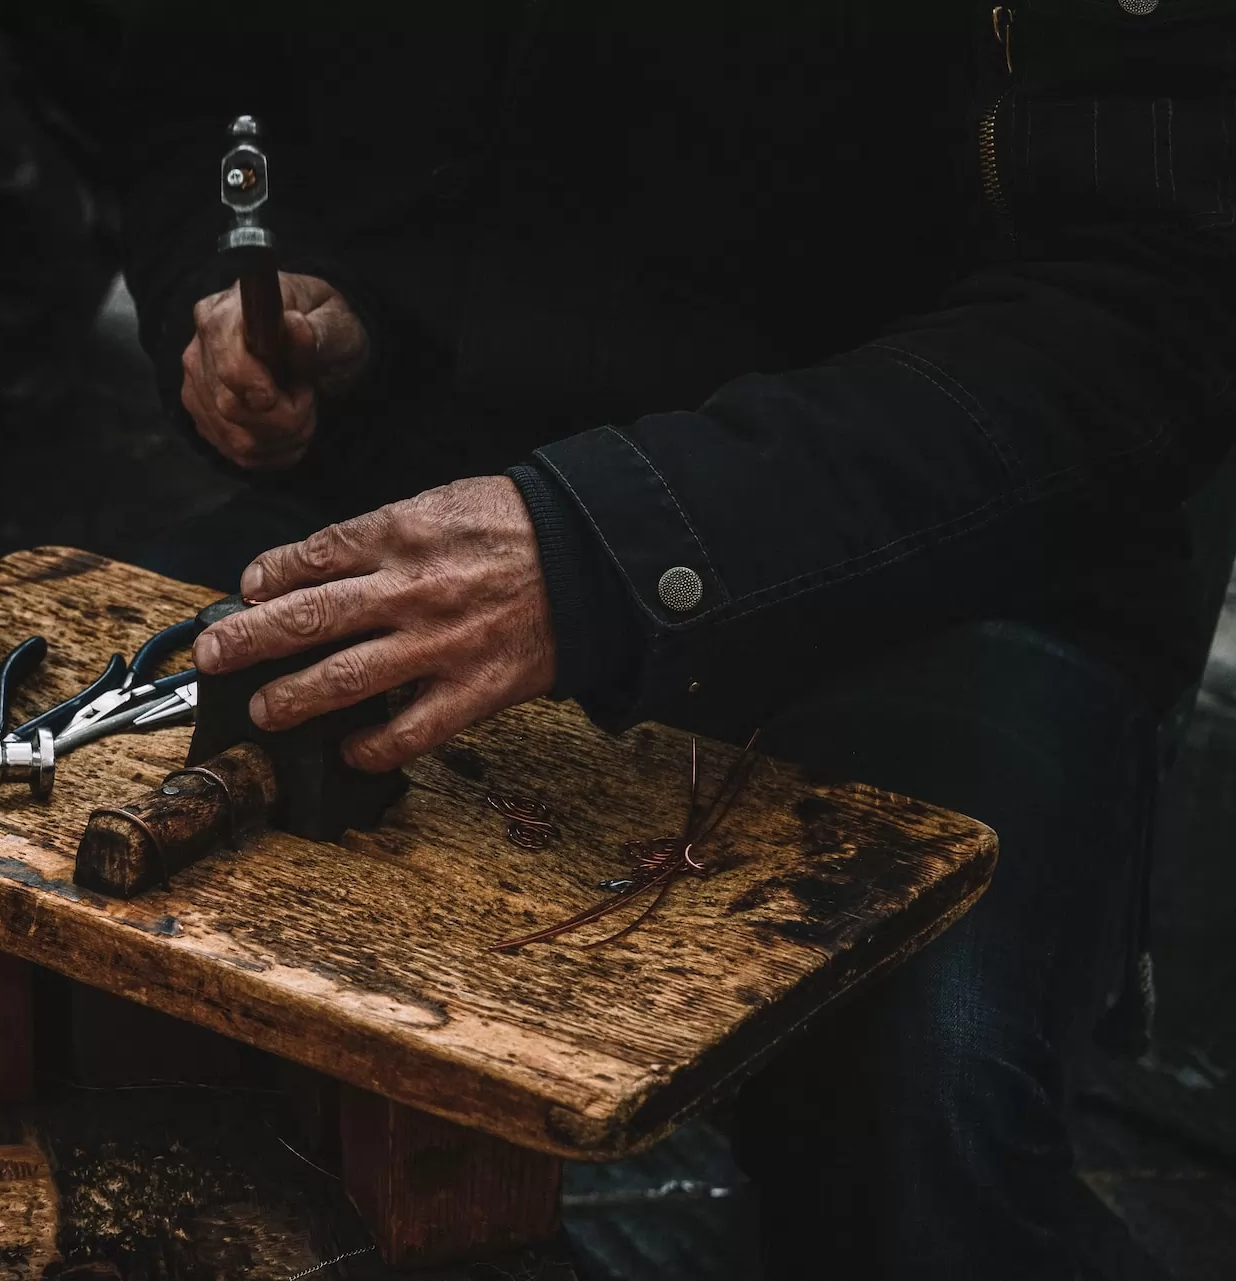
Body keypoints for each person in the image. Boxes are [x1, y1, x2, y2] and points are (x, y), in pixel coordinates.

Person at [115, 5, 1236, 1279]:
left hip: (939, 559)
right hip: (423, 492)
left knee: (912, 1122)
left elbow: (1148, 312)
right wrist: (258, 276)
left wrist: (614, 544)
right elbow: (196, 90)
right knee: (101, 980)